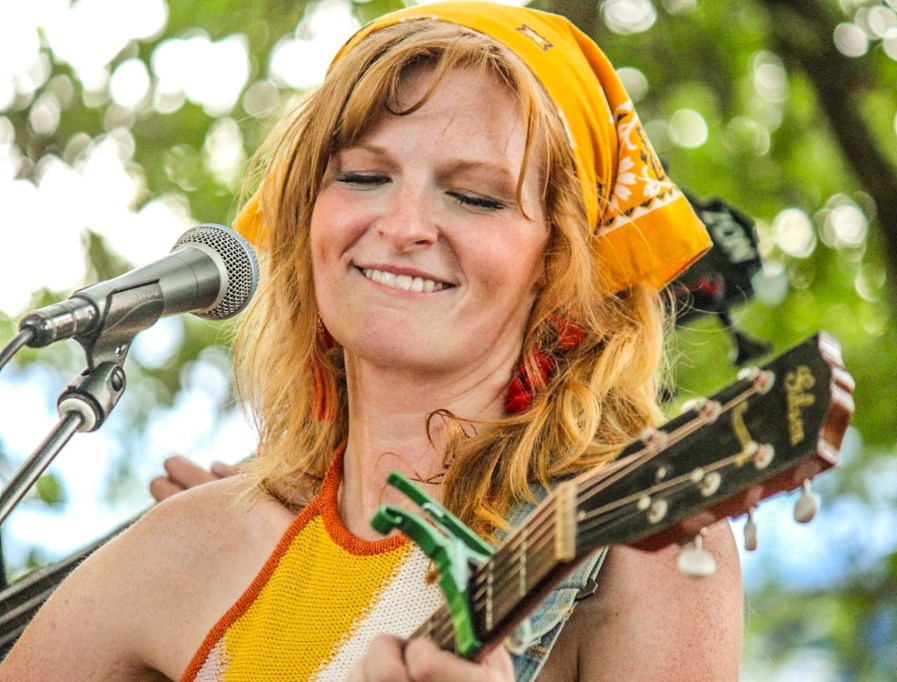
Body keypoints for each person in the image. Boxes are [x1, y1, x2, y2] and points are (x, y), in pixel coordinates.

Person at [1, 2, 742, 680]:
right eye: (361, 176)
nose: (404, 225)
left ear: (558, 260)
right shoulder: (189, 548)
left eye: (474, 196)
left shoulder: (647, 538)